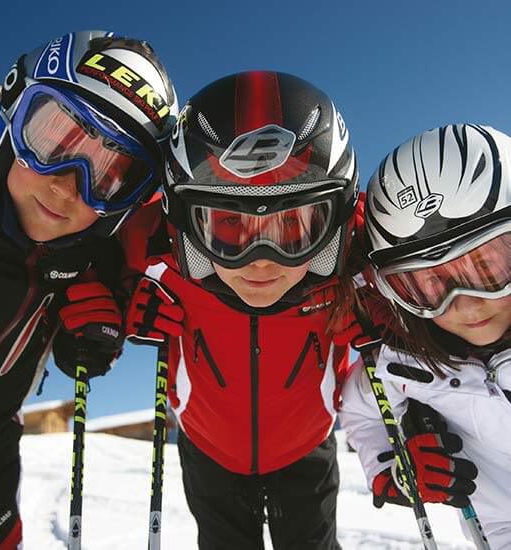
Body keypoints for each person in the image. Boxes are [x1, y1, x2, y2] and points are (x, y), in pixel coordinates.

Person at [123, 71, 362, 550]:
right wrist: (117, 301)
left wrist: (375, 305)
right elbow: (89, 246)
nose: (261, 260)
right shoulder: (159, 256)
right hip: (209, 449)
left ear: (333, 225)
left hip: (305, 446)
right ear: (183, 226)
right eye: (227, 226)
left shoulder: (348, 273)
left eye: (293, 225)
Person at [0, 30, 177, 548]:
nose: (68, 183)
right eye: (54, 139)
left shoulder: (91, 241)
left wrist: (97, 329)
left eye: (110, 173)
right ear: (13, 114)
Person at [339, 124, 511, 548]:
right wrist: (395, 469)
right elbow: (362, 413)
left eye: (488, 268)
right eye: (427, 286)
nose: (464, 305)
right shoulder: (405, 362)